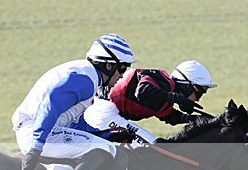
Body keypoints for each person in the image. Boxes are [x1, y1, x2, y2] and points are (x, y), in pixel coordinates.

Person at [11, 33, 135, 170]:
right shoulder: (86, 79)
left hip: (37, 130)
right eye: (122, 68)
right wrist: (36, 148)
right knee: (107, 149)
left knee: (104, 144)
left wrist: (109, 134)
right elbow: (50, 107)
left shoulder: (86, 74)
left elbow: (77, 126)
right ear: (108, 65)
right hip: (36, 133)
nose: (122, 75)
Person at [82, 60, 218, 146]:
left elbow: (169, 116)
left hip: (105, 113)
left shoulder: (165, 94)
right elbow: (142, 92)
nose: (198, 99)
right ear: (187, 86)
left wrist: (192, 119)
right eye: (199, 93)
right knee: (156, 149)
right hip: (104, 111)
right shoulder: (161, 80)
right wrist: (178, 98)